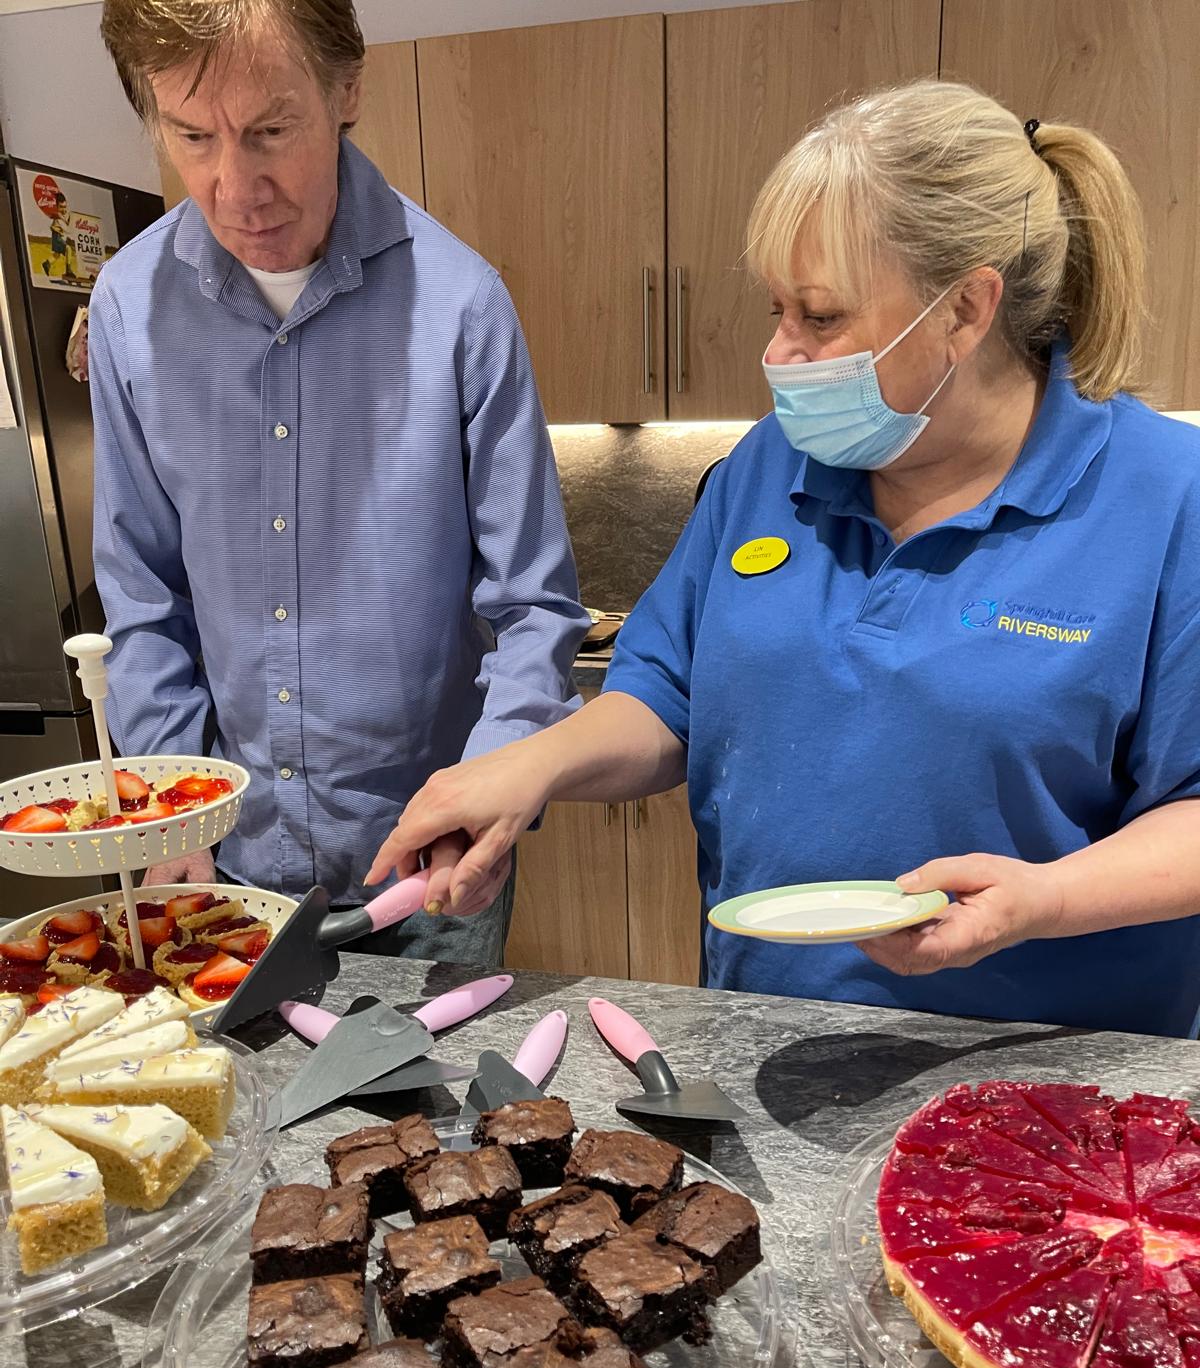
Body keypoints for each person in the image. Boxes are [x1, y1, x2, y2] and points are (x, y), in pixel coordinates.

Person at [368, 80, 1200, 1037]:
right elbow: (666, 695)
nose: (782, 353)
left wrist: (1040, 901)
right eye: (778, 310)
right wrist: (532, 766)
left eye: (822, 316)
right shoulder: (772, 464)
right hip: (762, 1037)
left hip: (1047, 1069)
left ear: (967, 310)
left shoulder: (1167, 500)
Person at [91, 0, 588, 965]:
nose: (236, 188)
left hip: (427, 865)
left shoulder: (462, 305)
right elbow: (143, 594)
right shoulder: (126, 309)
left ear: (346, 90)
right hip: (224, 857)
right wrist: (170, 805)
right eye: (193, 138)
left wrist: (487, 787)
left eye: (271, 131)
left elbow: (533, 606)